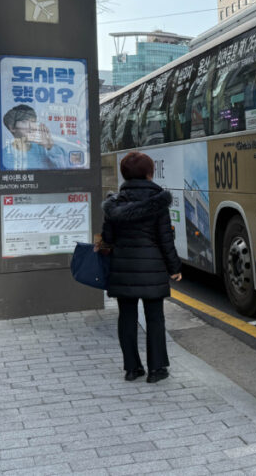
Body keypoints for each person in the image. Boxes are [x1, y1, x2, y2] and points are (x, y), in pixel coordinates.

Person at [100, 152, 182, 383]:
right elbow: (166, 240)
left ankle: (132, 368)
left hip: (123, 268)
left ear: (124, 174)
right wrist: (174, 267)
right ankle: (157, 369)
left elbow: (108, 237)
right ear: (149, 173)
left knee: (126, 317)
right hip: (152, 269)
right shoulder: (158, 202)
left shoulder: (114, 203)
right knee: (155, 317)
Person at [1, 104, 68, 170]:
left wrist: (50, 147)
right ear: (12, 127)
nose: (31, 127)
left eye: (33, 122)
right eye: (24, 122)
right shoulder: (5, 155)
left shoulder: (45, 148)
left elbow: (64, 170)